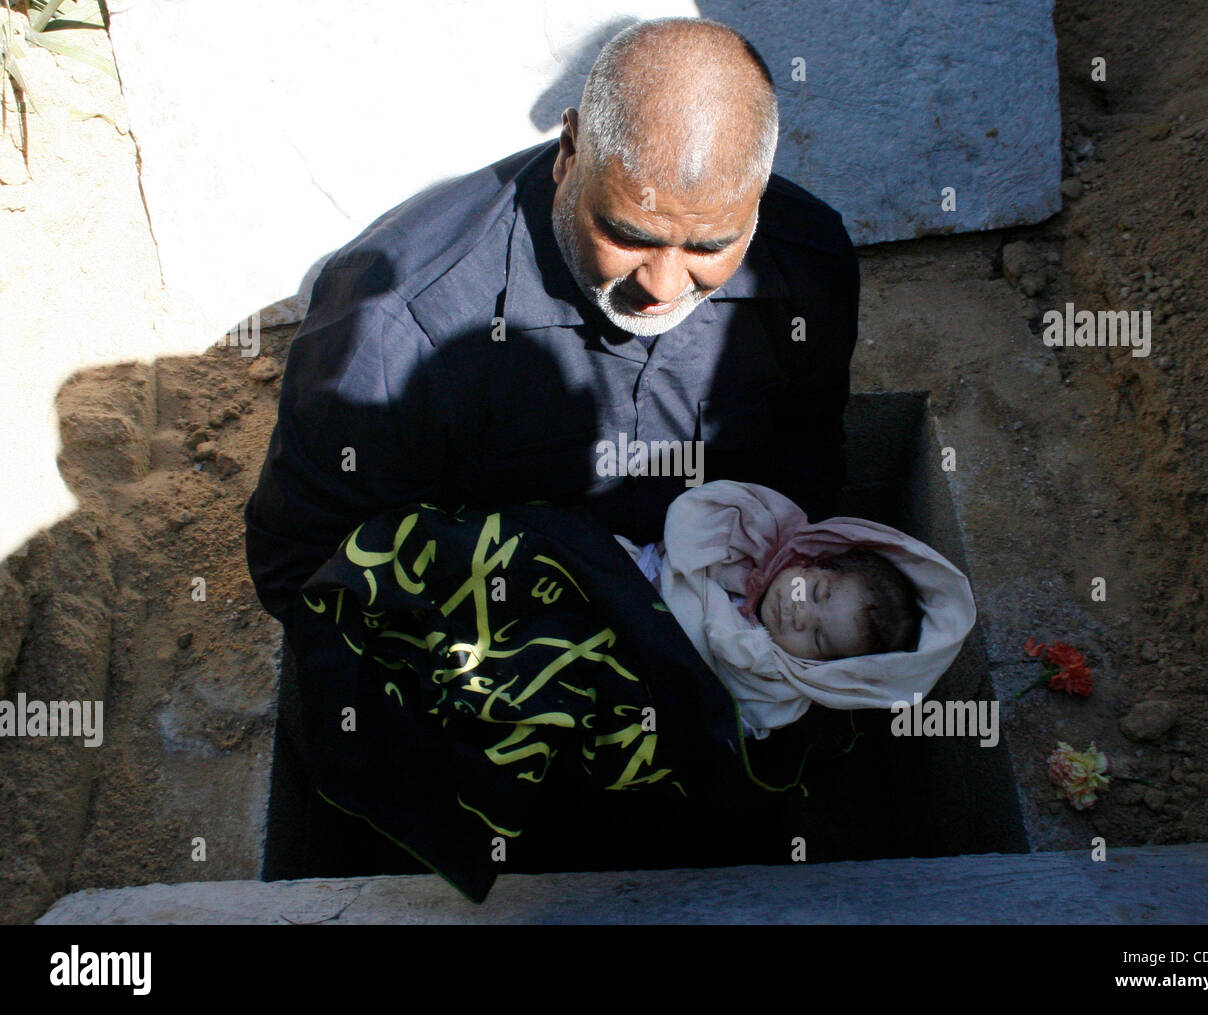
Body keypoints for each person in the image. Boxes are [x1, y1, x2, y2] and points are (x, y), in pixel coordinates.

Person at [244, 16, 860, 625]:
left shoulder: (809, 262)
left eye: (708, 248)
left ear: (755, 199)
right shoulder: (398, 327)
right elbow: (307, 571)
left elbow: (806, 460)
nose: (662, 287)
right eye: (627, 234)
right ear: (570, 151)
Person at [618, 480, 978, 740]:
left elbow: (723, 719)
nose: (799, 614)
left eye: (818, 637)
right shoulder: (752, 538)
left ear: (822, 667)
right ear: (813, 562)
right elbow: (691, 526)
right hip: (621, 586)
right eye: (815, 592)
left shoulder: (775, 687)